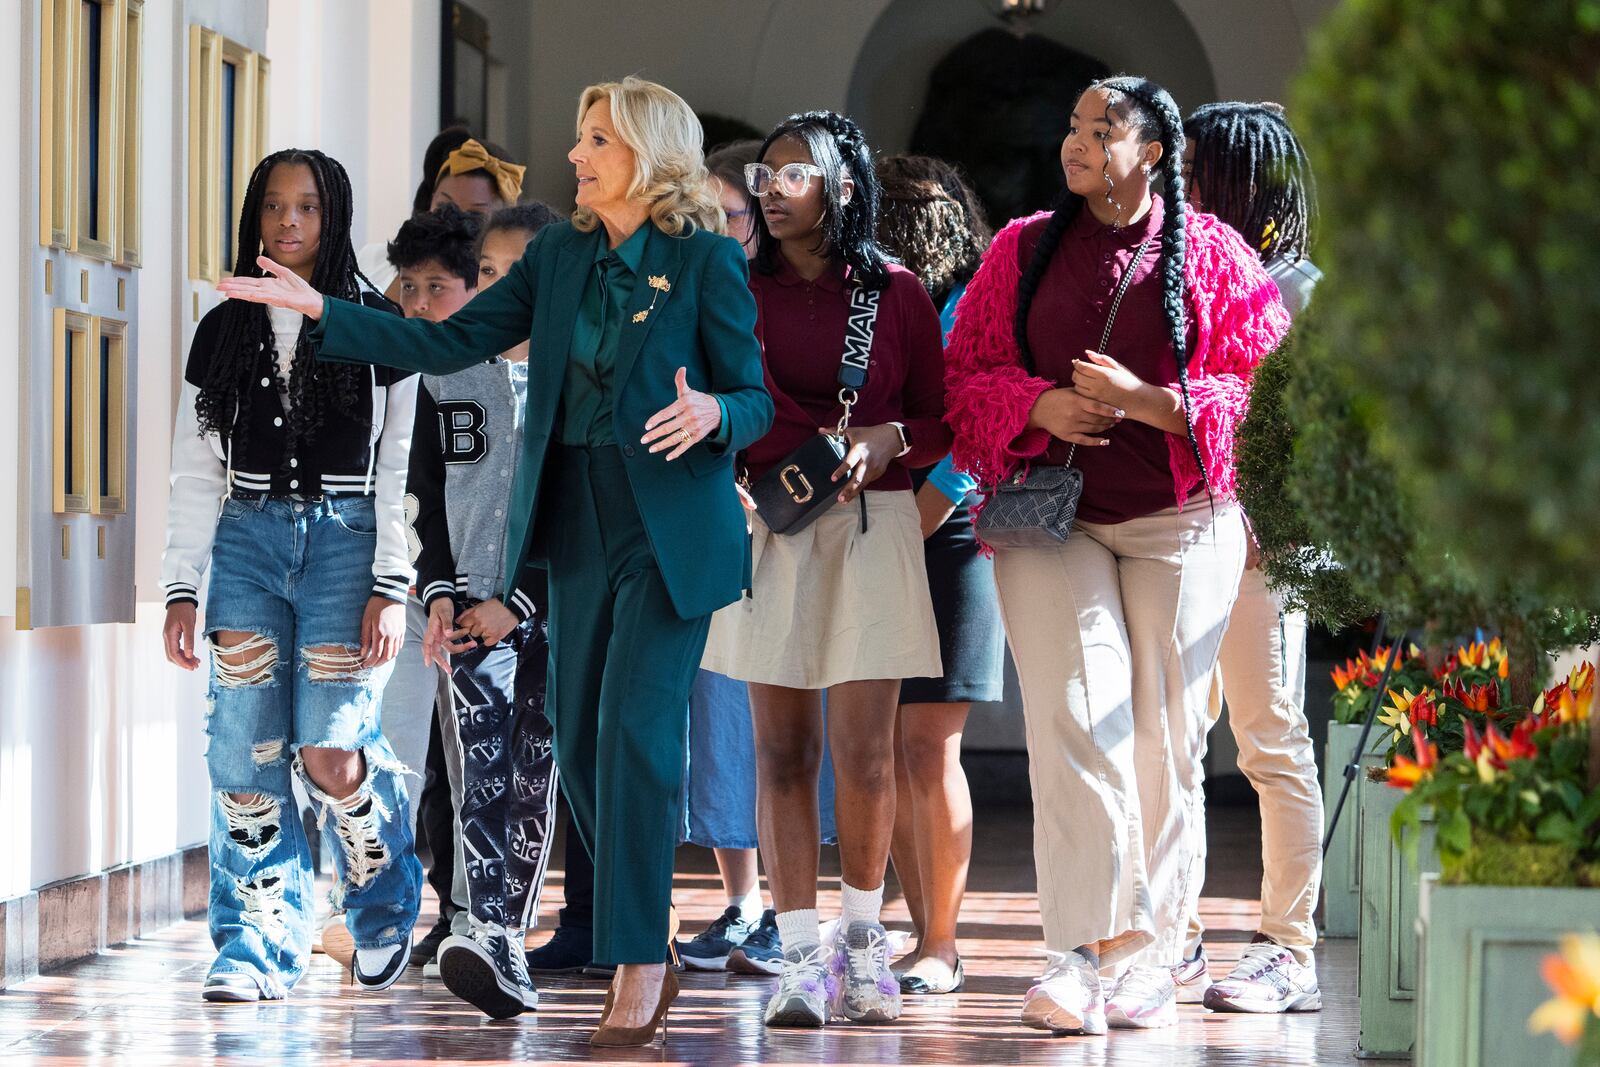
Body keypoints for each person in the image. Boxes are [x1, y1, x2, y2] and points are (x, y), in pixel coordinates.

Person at [217, 76, 773, 1047]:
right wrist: (325, 312)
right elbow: (456, 338)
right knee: (579, 744)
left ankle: (640, 958)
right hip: (573, 527)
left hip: (668, 528)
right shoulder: (557, 255)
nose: (575, 154)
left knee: (636, 728)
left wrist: (715, 413)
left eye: (594, 138)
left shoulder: (704, 263)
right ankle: (653, 930)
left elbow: (755, 397)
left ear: (646, 152)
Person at [944, 75, 1290, 1035]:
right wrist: (1035, 404)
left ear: (1156, 152)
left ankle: (1156, 944)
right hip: (1054, 520)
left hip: (1183, 519)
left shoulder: (1216, 256)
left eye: (1105, 127)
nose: (1079, 141)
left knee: (1167, 737)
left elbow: (1263, 402)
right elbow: (966, 375)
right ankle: (1088, 952)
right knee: (1075, 714)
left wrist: (1151, 400)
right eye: (1072, 124)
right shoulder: (1021, 251)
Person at [699, 111, 951, 1028]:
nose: (769, 188)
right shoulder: (729, 281)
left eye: (792, 174)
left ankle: (861, 944)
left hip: (870, 523)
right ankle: (800, 955)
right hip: (769, 522)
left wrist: (888, 439)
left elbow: (940, 418)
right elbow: (710, 397)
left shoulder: (896, 292)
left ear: (843, 189)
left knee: (868, 754)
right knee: (783, 751)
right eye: (764, 175)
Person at [160, 149, 424, 1002]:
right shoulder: (222, 327)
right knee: (243, 744)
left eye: (306, 206)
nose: (288, 222)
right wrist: (180, 584)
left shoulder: (377, 324)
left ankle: (382, 905)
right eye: (273, 206)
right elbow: (194, 469)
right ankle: (258, 942)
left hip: (347, 541)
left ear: (332, 215)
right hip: (246, 537)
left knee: (330, 751)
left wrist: (392, 580)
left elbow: (400, 466)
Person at [392, 203, 561, 1019]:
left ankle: (510, 934)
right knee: (477, 769)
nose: (500, 286)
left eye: (517, 271)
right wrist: (443, 591)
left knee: (533, 773)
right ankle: (481, 925)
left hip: (551, 610)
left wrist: (518, 599)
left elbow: (572, 504)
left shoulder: (575, 382)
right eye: (487, 272)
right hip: (465, 616)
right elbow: (422, 496)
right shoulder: (446, 374)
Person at [1178, 100, 1323, 1014]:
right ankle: (1178, 936)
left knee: (1270, 740)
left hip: (1264, 546)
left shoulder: (1300, 287)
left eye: (1192, 167)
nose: (1177, 183)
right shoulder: (1192, 270)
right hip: (1188, 534)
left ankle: (1288, 947)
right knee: (1179, 742)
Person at [873, 154, 1004, 997]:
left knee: (928, 745)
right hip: (883, 527)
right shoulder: (878, 305)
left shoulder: (969, 306)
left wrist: (916, 518)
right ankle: (919, 935)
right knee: (884, 747)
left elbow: (968, 435)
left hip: (949, 536)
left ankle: (942, 939)